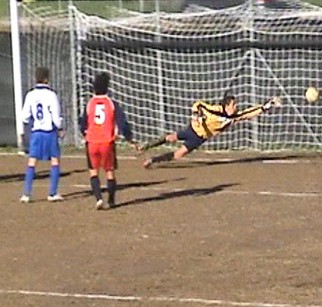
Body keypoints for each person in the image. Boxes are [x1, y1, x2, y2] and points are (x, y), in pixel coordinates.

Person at [140, 94, 281, 167]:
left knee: (178, 154)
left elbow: (249, 112)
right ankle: (146, 146)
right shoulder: (215, 110)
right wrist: (195, 115)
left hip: (199, 138)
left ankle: (153, 161)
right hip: (192, 129)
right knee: (171, 137)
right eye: (233, 105)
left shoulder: (234, 117)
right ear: (226, 106)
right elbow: (198, 104)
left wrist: (267, 106)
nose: (236, 107)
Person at [82, 72, 137, 210]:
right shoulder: (111, 104)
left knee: (93, 171)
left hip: (92, 142)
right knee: (109, 171)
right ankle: (111, 200)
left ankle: (99, 199)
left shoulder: (90, 104)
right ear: (107, 87)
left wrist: (85, 133)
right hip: (107, 142)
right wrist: (130, 138)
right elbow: (122, 123)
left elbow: (83, 124)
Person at [20, 67, 64, 203]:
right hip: (49, 132)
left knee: (32, 161)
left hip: (36, 132)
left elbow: (24, 116)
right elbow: (56, 115)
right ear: (46, 79)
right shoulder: (51, 95)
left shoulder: (30, 95)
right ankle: (52, 193)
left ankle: (26, 194)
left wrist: (33, 122)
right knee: (55, 160)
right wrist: (60, 127)